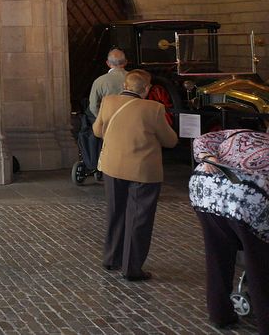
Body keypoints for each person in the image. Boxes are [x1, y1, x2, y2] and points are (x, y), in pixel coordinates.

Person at [93, 69, 178, 281]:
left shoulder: (109, 101)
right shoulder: (154, 109)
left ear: (125, 86)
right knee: (139, 218)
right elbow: (170, 140)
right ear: (147, 89)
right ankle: (131, 268)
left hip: (112, 167)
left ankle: (112, 258)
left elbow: (97, 130)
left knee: (116, 212)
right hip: (142, 171)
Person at [190, 129, 269, 333]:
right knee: (259, 265)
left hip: (205, 189)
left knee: (217, 255)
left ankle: (220, 314)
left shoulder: (239, 132)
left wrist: (208, 157)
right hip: (248, 199)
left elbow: (201, 139)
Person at [89, 48, 127, 118]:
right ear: (125, 62)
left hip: (108, 121)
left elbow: (93, 106)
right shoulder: (135, 78)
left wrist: (102, 120)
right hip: (131, 121)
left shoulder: (99, 81)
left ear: (108, 63)